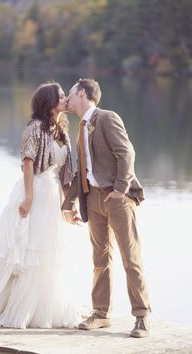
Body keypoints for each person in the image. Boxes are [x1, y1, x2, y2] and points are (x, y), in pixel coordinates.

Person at [0, 82, 79, 329]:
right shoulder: (34, 128)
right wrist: (29, 197)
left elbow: (65, 172)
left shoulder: (62, 130)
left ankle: (47, 307)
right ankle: (21, 308)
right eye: (62, 96)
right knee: (30, 251)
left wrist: (69, 206)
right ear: (49, 102)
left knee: (49, 251)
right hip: (36, 190)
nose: (66, 99)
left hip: (53, 195)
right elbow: (28, 162)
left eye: (67, 95)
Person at [62, 78, 151, 338]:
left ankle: (142, 316)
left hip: (117, 199)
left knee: (130, 258)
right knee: (100, 259)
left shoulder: (107, 117)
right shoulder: (81, 127)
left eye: (70, 93)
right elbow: (82, 170)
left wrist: (120, 190)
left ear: (81, 92)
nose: (67, 97)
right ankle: (101, 313)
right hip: (93, 199)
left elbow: (127, 154)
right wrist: (69, 203)